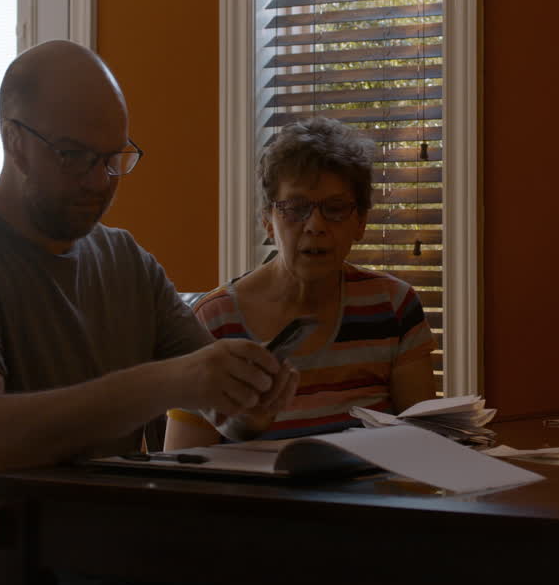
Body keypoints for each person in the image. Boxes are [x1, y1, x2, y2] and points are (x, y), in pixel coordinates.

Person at [0, 40, 297, 585]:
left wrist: (250, 400)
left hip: (108, 558)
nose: (101, 180)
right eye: (74, 156)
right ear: (15, 142)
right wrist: (171, 381)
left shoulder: (125, 260)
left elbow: (218, 404)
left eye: (114, 159)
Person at [163, 117, 437, 449]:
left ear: (361, 221)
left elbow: (426, 445)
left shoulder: (394, 306)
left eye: (335, 209)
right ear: (267, 221)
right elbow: (184, 467)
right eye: (296, 209)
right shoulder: (213, 320)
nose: (315, 225)